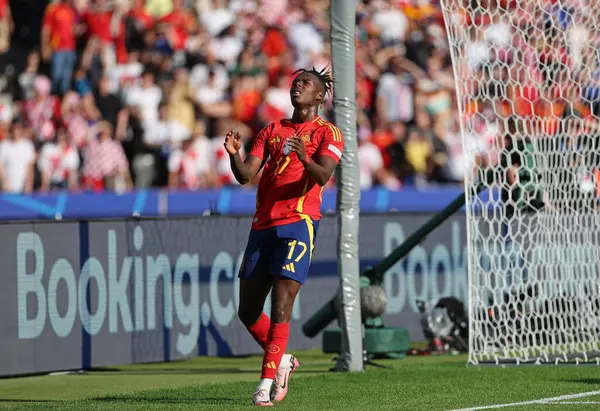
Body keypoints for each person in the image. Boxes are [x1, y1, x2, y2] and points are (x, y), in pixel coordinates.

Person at [224, 67, 344, 406]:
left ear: (320, 95)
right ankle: (283, 362)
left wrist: (305, 157)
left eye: (305, 83)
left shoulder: (328, 133)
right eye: (295, 82)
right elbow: (247, 174)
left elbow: (322, 177)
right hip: (262, 226)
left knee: (281, 305)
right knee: (247, 312)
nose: (297, 86)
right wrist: (235, 155)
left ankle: (265, 382)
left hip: (299, 223)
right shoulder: (272, 129)